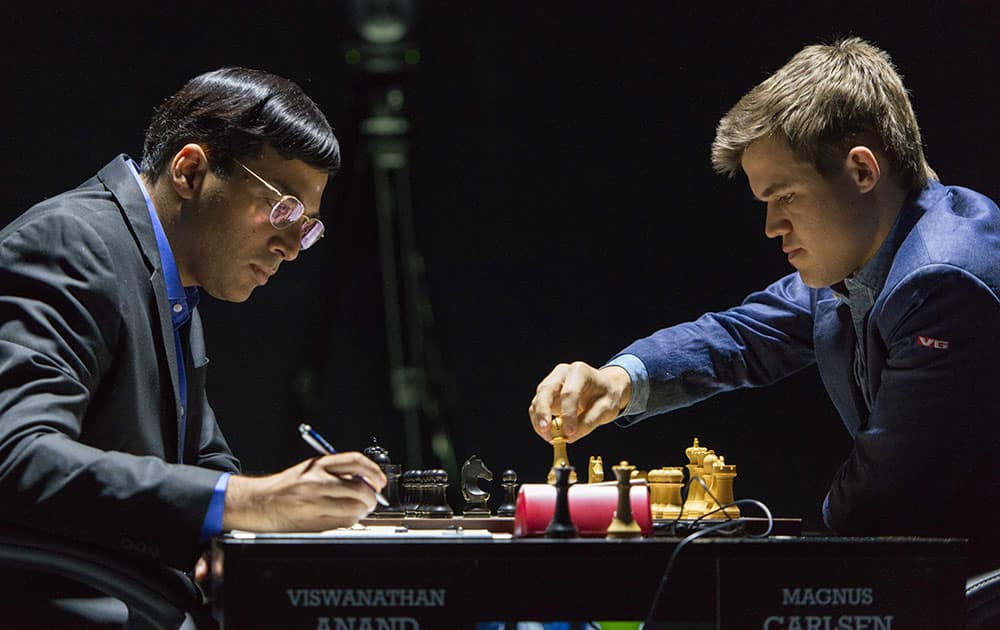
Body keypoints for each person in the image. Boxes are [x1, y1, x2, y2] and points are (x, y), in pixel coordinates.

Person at [529, 38, 1000, 573]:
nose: (772, 226)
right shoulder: (864, 264)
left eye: (786, 197)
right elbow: (740, 337)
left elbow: (881, 501)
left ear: (862, 171)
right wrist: (618, 383)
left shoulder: (941, 280)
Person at [0, 68, 386, 621]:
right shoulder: (71, 244)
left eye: (308, 227)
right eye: (283, 211)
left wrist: (280, 510)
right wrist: (249, 502)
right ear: (191, 170)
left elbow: (203, 458)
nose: (293, 247)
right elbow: (15, 455)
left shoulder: (171, 277)